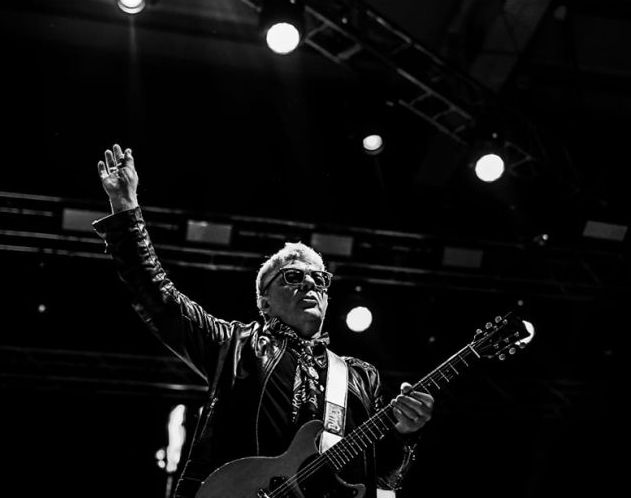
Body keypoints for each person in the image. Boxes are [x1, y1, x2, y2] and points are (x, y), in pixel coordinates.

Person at [93, 143, 434, 498]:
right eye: (293, 276)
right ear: (264, 302)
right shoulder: (235, 345)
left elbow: (377, 476)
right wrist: (125, 209)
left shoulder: (360, 377)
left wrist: (405, 431)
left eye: (320, 279)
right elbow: (159, 299)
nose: (310, 284)